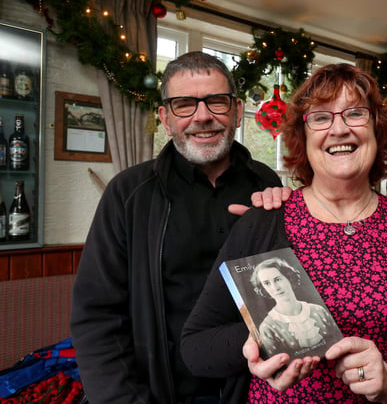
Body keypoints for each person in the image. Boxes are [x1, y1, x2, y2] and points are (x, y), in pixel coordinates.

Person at [180, 63, 387, 403]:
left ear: (377, 131)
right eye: (321, 117)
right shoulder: (264, 221)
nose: (339, 129)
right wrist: (253, 342)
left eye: (355, 114)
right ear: (302, 138)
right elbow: (196, 347)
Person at [69, 52, 283, 404]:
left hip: (254, 389)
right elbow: (97, 315)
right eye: (185, 104)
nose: (202, 116)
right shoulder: (128, 194)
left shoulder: (267, 184)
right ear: (165, 118)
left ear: (237, 110)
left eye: (216, 101)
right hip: (157, 392)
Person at [250, 256, 337, 356]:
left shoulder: (318, 310)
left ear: (289, 277)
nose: (275, 287)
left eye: (278, 279)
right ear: (263, 288)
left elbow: (338, 341)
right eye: (267, 283)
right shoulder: (267, 327)